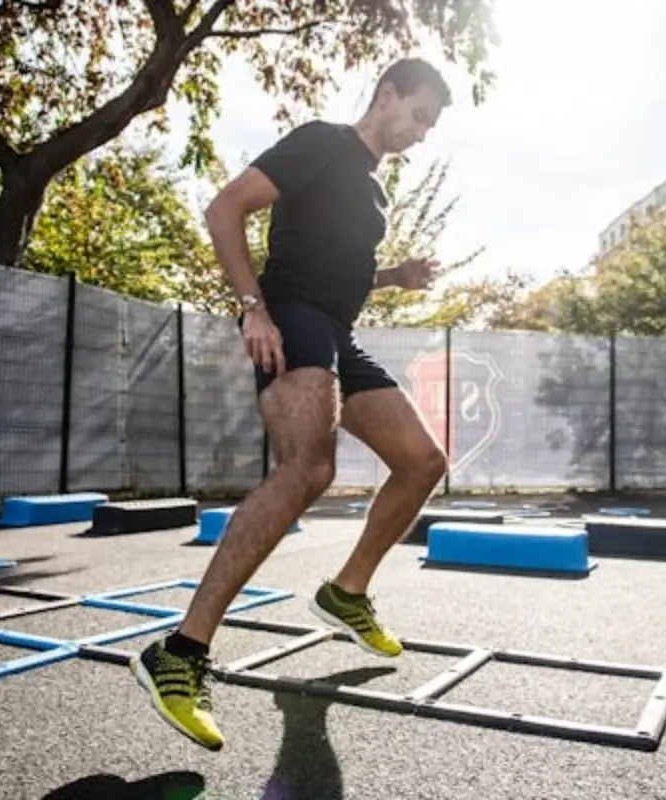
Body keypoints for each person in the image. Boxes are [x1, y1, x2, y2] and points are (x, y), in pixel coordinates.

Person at [130, 57, 455, 750]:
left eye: (431, 125)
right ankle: (180, 654)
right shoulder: (323, 142)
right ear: (386, 93)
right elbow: (224, 207)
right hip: (291, 317)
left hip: (336, 331)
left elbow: (344, 273)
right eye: (420, 116)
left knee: (424, 461)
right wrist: (254, 309)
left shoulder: (371, 193)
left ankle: (346, 592)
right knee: (307, 470)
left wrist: (397, 275)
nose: (422, 133)